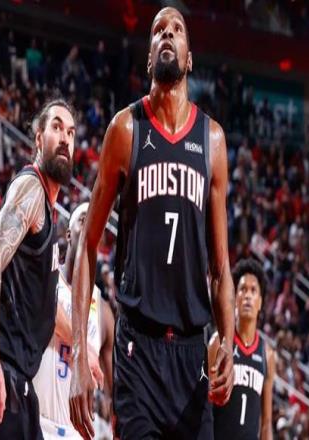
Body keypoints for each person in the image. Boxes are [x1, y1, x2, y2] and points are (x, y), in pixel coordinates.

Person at [70, 7, 235, 439]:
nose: (167, 34)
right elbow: (87, 245)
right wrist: (79, 354)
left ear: (189, 57)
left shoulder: (213, 141)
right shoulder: (125, 129)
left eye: (177, 29)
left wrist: (228, 344)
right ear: (148, 58)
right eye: (158, 29)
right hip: (137, 350)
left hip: (191, 354)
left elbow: (220, 269)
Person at [0, 98, 78, 439]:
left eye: (71, 132)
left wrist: (83, 348)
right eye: (56, 127)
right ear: (39, 138)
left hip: (19, 383)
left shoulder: (49, 216)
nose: (65, 138)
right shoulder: (30, 187)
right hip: (2, 373)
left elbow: (49, 311)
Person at [33, 202, 114, 439]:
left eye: (96, 223)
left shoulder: (104, 312)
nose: (90, 225)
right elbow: (50, 314)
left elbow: (115, 391)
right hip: (37, 421)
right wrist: (84, 350)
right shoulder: (48, 280)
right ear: (68, 234)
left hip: (75, 432)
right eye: (83, 219)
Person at [211, 258, 275, 440]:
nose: (248, 296)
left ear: (260, 302)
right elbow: (203, 406)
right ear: (235, 298)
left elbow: (266, 423)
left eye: (253, 290)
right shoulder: (219, 342)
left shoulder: (267, 354)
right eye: (243, 289)